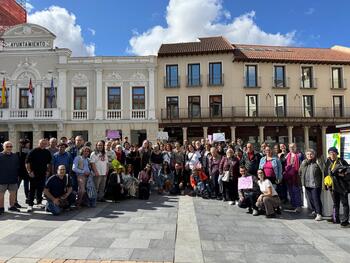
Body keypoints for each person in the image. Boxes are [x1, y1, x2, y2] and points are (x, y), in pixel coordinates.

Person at [324, 147, 349, 227]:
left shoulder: (341, 161)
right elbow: (325, 173)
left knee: (345, 204)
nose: (332, 154)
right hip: (333, 187)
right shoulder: (327, 161)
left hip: (342, 186)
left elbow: (348, 172)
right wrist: (326, 185)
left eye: (334, 152)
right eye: (330, 153)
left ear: (337, 153)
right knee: (335, 203)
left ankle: (345, 221)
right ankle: (335, 218)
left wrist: (340, 174)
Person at [25, 139, 52, 212]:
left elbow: (49, 163)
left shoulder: (47, 152)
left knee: (40, 188)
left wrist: (48, 171)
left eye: (44, 143)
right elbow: (27, 162)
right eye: (41, 143)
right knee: (32, 189)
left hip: (42, 173)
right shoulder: (33, 151)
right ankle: (30, 204)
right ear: (38, 143)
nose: (43, 144)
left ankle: (39, 202)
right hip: (33, 173)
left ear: (46, 144)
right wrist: (29, 172)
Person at [299, 149, 323, 221]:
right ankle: (315, 211)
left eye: (311, 154)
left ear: (314, 154)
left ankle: (319, 214)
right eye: (308, 154)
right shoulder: (304, 162)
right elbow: (300, 171)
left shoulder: (317, 162)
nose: (309, 156)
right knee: (311, 199)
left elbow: (323, 171)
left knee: (316, 199)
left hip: (315, 184)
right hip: (307, 184)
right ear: (306, 155)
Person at [0, 141, 20, 213]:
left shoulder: (15, 156)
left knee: (13, 194)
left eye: (10, 146)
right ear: (3, 147)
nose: (9, 148)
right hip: (2, 179)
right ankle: (1, 208)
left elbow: (17, 166)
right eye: (7, 146)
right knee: (1, 195)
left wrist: (17, 176)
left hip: (12, 179)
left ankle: (12, 206)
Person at [284, 143, 304, 212]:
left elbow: (302, 165)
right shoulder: (288, 155)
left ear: (296, 147)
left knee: (296, 191)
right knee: (290, 191)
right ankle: (293, 205)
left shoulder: (299, 155)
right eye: (290, 147)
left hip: (296, 176)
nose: (292, 148)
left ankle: (298, 206)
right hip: (289, 176)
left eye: (293, 147)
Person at [16, 138, 31, 207]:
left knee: (26, 186)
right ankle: (15, 201)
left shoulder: (28, 152)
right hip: (19, 173)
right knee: (17, 187)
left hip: (26, 172)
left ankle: (28, 199)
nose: (29, 144)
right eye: (28, 143)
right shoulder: (19, 153)